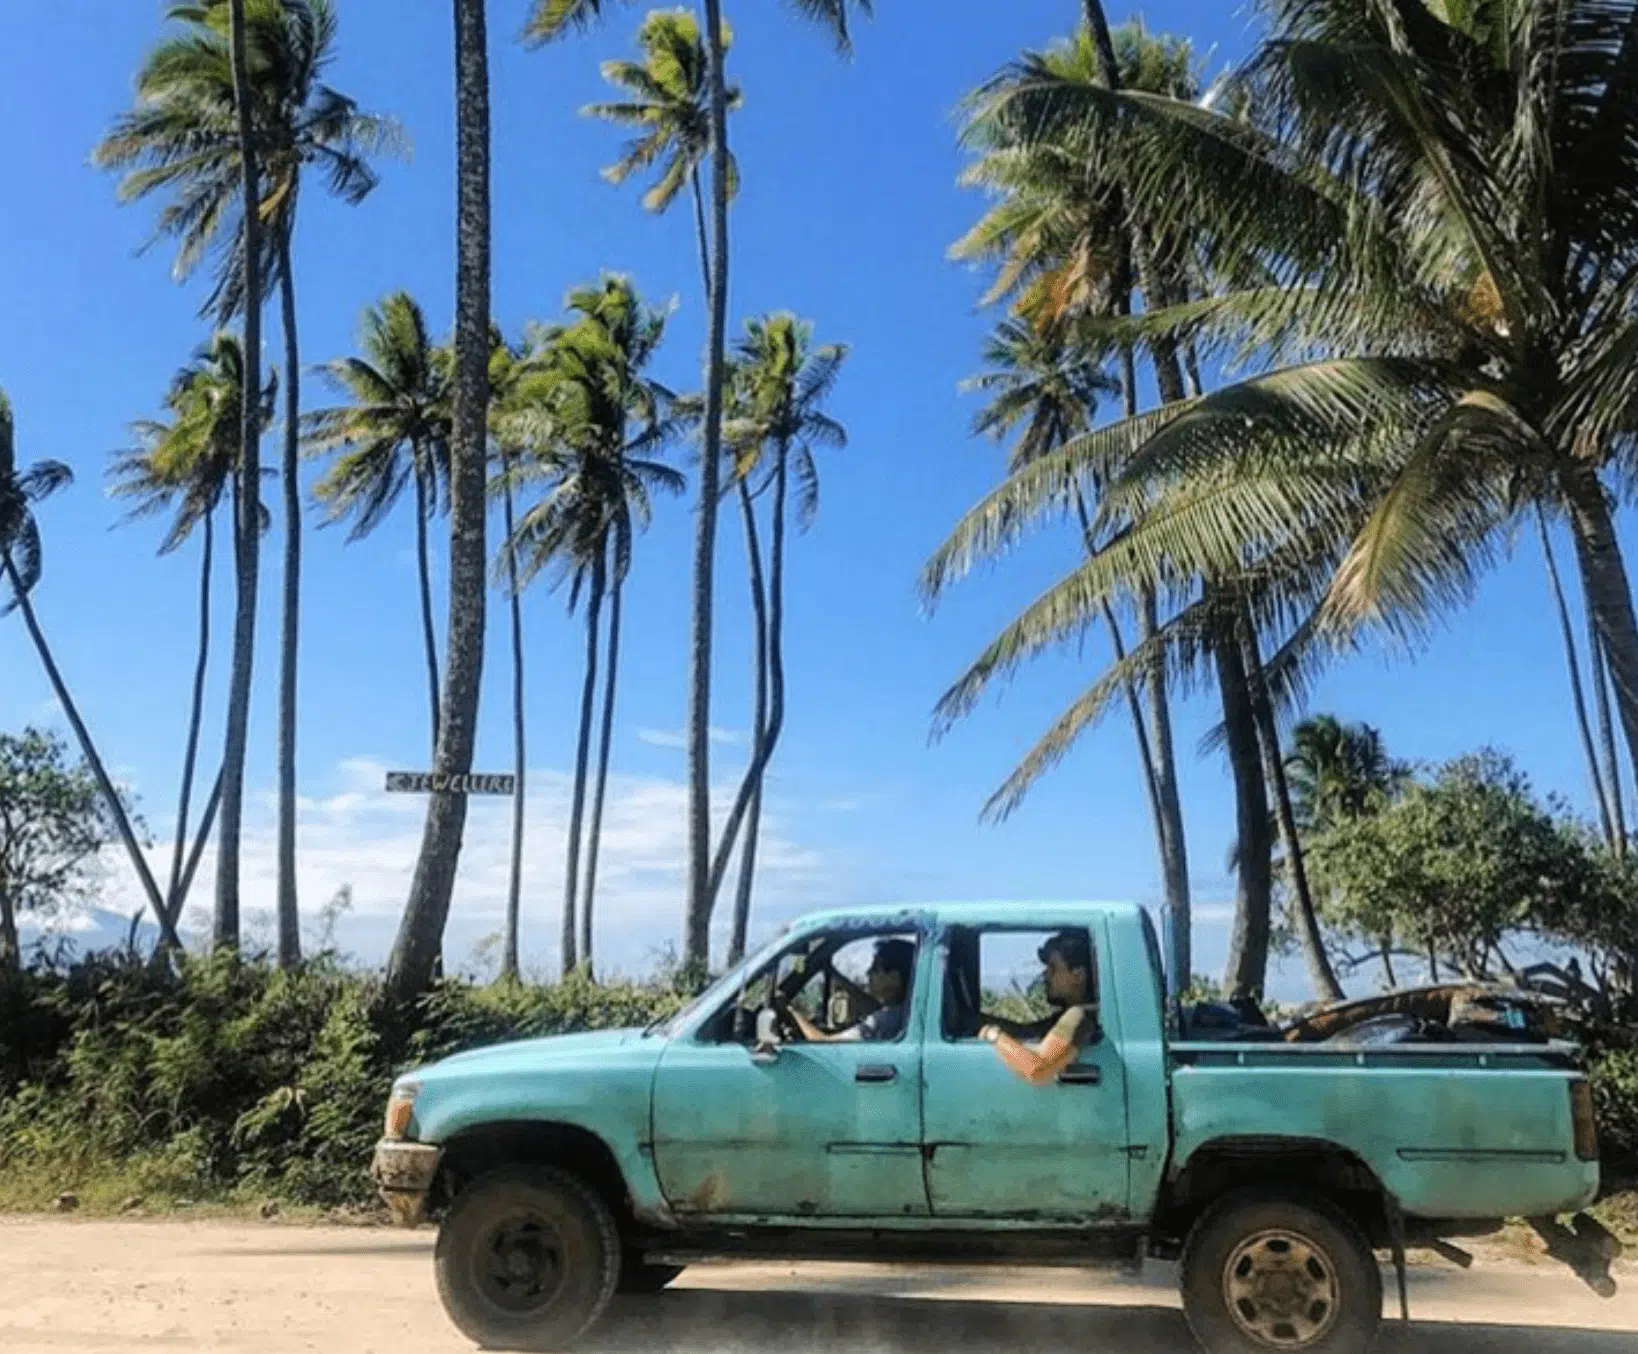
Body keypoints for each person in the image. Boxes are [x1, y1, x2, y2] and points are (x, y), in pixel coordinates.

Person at [978, 930, 1099, 1084]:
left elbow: (1037, 1069)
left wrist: (993, 1035)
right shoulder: (1073, 1015)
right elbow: (1031, 1031)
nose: (1045, 975)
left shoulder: (1079, 1014)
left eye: (1053, 968)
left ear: (1077, 976)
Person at [784, 938, 915, 1043]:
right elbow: (871, 1007)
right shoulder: (905, 1013)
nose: (868, 973)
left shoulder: (884, 1020)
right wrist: (834, 973)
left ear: (894, 977)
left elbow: (824, 1043)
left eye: (875, 969)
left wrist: (790, 1011)